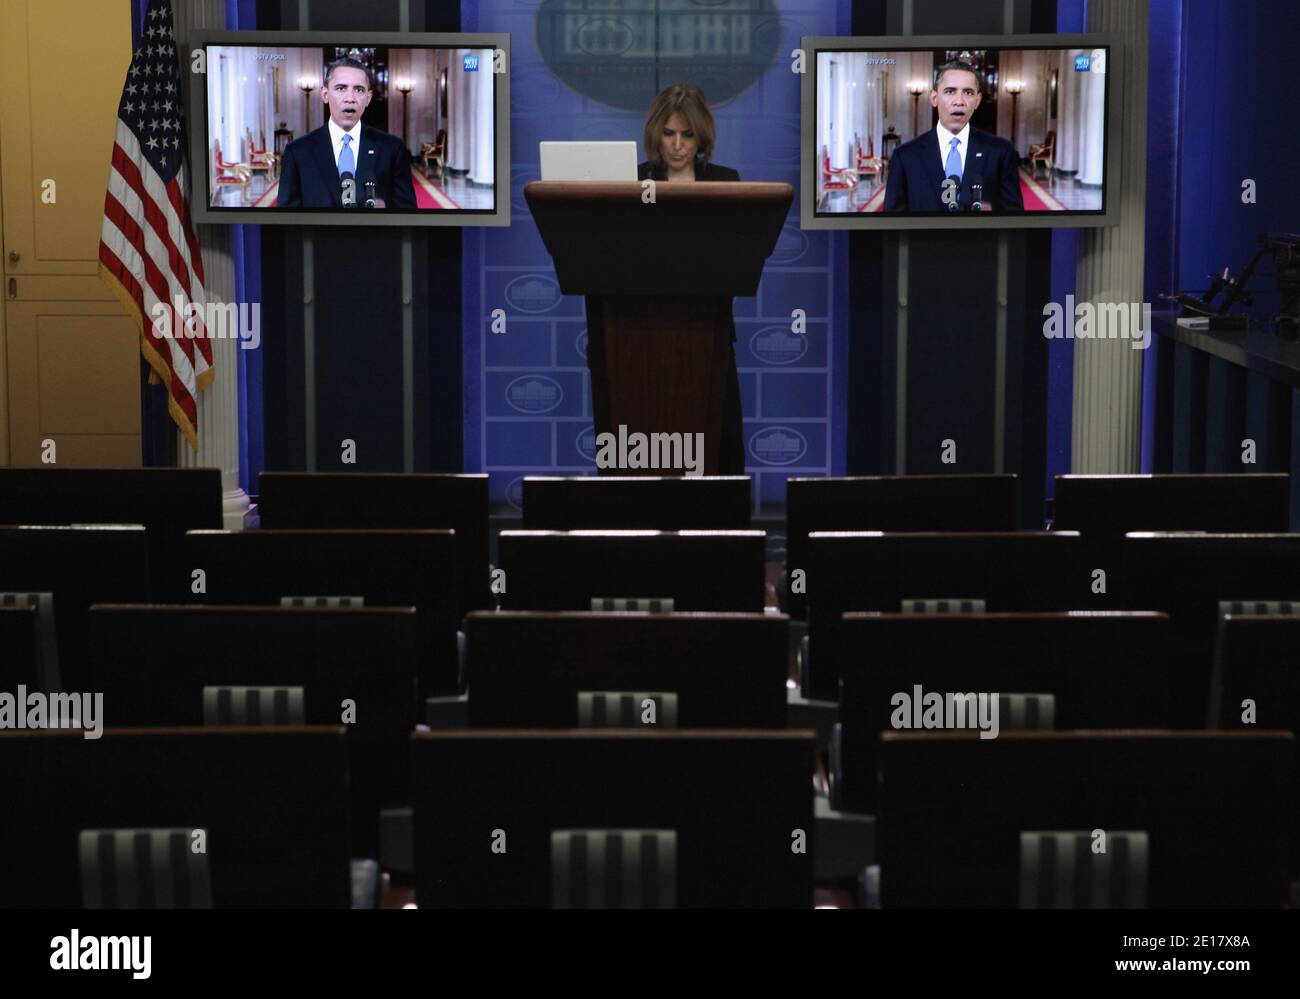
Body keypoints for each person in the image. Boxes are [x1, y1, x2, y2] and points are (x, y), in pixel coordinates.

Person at [634, 84, 745, 473]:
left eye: (687, 134)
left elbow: (737, 257)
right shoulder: (631, 183)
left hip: (709, 331)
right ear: (655, 135)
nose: (677, 145)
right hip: (642, 335)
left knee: (721, 442)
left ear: (701, 138)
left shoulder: (726, 182)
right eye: (668, 133)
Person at [883, 60, 1024, 213]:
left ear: (977, 101)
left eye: (968, 93)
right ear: (934, 98)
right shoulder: (905, 156)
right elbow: (894, 223)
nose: (959, 101)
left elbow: (1014, 216)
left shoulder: (1000, 151)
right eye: (950, 91)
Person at [277, 58, 417, 210]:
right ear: (325, 94)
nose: (350, 99)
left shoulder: (392, 149)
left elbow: (407, 215)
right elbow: (288, 220)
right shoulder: (297, 152)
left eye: (359, 90)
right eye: (341, 88)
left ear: (368, 98)